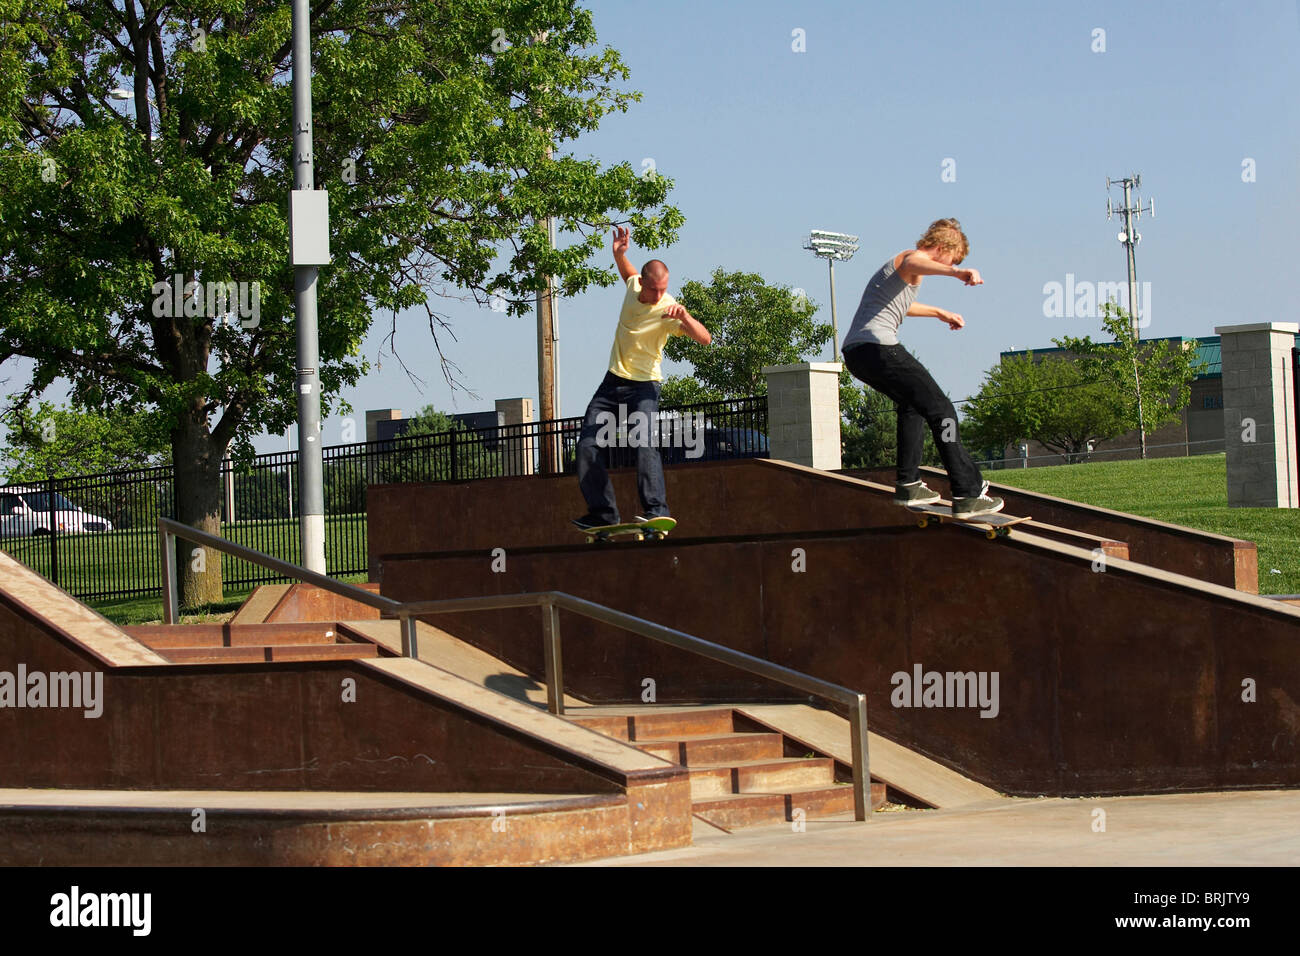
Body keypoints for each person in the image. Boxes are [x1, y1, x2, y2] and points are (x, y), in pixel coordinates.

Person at [840, 218, 1003, 517]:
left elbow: (902, 305)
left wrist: (941, 312)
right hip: (879, 348)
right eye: (952, 259)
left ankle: (908, 484)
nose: (951, 265)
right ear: (942, 248)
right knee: (942, 410)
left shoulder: (902, 274)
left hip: (858, 353)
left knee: (913, 405)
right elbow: (917, 261)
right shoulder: (910, 258)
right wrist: (956, 273)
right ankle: (967, 491)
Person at [572, 226, 712, 530]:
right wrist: (619, 253)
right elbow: (628, 272)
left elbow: (705, 339)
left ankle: (655, 509)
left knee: (644, 440)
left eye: (664, 289)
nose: (660, 295)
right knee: (586, 446)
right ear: (643, 284)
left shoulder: (668, 309)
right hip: (611, 383)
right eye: (654, 289)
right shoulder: (633, 287)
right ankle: (603, 513)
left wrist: (685, 317)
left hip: (644, 387)